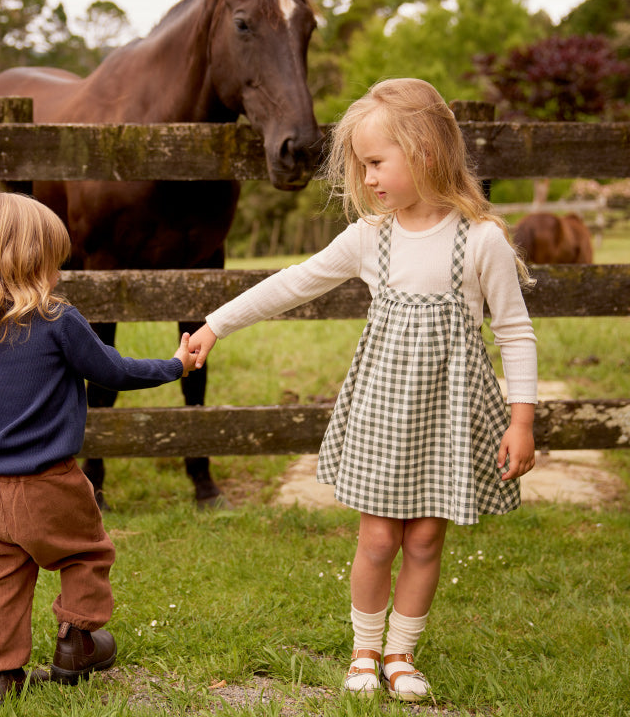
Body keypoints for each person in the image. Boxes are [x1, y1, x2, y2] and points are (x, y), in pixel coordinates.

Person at [188, 78, 537, 702]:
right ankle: (365, 647)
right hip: (383, 413)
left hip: (449, 416)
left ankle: (402, 653)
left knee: (427, 537)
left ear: (425, 151)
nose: (368, 177)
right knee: (378, 536)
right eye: (362, 165)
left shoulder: (481, 241)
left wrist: (522, 420)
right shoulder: (372, 237)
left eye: (376, 162)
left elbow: (515, 332)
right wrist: (216, 323)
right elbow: (294, 283)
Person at [0, 190, 198, 701]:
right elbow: (114, 371)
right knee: (86, 553)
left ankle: (1, 677)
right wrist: (175, 365)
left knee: (1, 573)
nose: (59, 274)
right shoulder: (56, 321)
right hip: (50, 482)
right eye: (53, 261)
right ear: (30, 261)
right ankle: (76, 643)